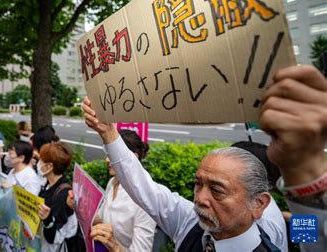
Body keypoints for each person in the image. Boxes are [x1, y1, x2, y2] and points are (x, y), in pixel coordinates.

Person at [84, 98, 284, 251]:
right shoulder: (192, 223)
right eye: (198, 184)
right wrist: (108, 132)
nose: (200, 199)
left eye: (217, 189)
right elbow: (144, 188)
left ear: (259, 203)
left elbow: (310, 241)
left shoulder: (273, 226)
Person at [258, 65, 326, 251]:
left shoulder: (265, 223)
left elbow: (307, 240)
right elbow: (308, 243)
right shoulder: (272, 212)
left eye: (218, 188)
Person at [78, 129, 157, 251]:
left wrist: (115, 247)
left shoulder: (146, 198)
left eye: (112, 155)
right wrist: (79, 206)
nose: (107, 160)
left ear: (133, 158)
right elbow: (101, 216)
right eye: (107, 154)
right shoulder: (113, 182)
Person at [37, 141, 78, 251]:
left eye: (41, 160)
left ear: (49, 166)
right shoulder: (48, 184)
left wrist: (47, 219)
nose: (38, 163)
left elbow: (54, 238)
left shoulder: (63, 195)